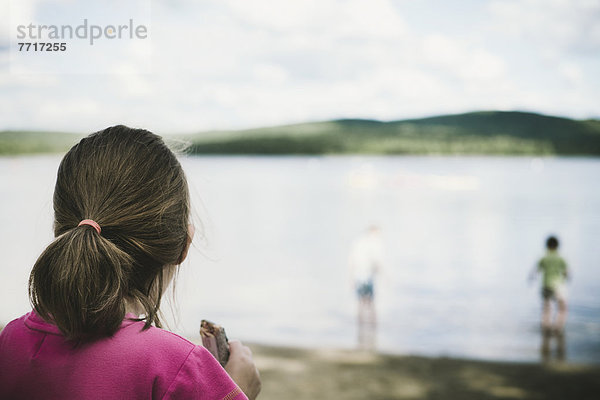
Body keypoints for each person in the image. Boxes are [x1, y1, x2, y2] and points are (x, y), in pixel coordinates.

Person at [0, 126, 261, 399]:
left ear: (59, 230)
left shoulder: (11, 340)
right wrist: (236, 390)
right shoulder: (177, 365)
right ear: (184, 244)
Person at [348, 225, 384, 350]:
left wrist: (351, 278)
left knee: (361, 304)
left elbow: (351, 260)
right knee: (370, 304)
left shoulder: (358, 243)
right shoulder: (371, 245)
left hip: (359, 277)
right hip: (366, 278)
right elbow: (376, 263)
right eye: (377, 234)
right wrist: (385, 275)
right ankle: (373, 329)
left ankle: (361, 331)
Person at [530, 235, 570, 334]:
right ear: (557, 246)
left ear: (547, 245)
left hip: (545, 285)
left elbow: (535, 272)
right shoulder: (560, 258)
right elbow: (566, 273)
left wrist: (531, 280)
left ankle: (545, 328)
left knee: (546, 308)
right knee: (562, 308)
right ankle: (558, 328)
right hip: (558, 286)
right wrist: (565, 279)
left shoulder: (543, 257)